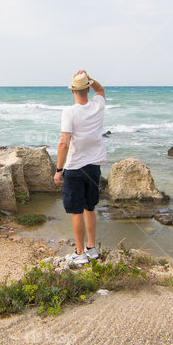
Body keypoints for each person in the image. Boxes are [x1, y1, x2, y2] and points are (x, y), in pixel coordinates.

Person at [53, 70, 107, 266]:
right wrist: (89, 78)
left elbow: (64, 143)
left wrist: (59, 170)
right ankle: (92, 249)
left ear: (73, 91)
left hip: (75, 167)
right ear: (87, 89)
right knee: (89, 208)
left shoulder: (70, 112)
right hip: (94, 166)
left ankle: (79, 252)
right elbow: (100, 89)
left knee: (76, 211)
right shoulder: (97, 106)